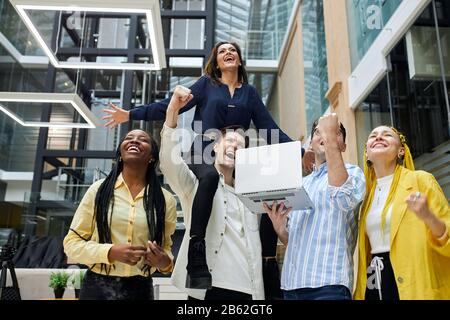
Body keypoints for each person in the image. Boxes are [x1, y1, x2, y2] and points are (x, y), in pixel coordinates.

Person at [101, 41, 308, 296]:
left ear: (239, 60)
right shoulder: (206, 85)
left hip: (237, 156)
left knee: (260, 199)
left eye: (233, 50)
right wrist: (130, 113)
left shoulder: (250, 93)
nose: (228, 53)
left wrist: (300, 153)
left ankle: (267, 265)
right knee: (209, 177)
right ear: (216, 62)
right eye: (222, 51)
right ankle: (196, 246)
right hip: (203, 153)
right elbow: (171, 103)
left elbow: (270, 128)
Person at [159, 86, 264, 300]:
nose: (235, 147)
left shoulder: (251, 197)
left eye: (240, 146)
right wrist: (172, 113)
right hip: (207, 290)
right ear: (215, 147)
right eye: (230, 141)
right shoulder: (195, 186)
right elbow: (170, 164)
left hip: (248, 291)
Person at [63, 130, 177, 300]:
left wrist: (165, 263)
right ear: (120, 154)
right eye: (129, 138)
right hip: (97, 288)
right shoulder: (98, 191)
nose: (135, 141)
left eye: (143, 140)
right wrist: (110, 252)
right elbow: (71, 244)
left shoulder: (165, 200)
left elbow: (166, 250)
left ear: (152, 157)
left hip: (141, 290)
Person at [264, 114, 366, 300]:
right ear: (310, 144)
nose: (325, 136)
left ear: (342, 146)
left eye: (336, 133)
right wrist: (280, 230)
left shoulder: (353, 173)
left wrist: (329, 138)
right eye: (319, 132)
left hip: (329, 284)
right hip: (291, 285)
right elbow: (296, 240)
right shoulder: (300, 184)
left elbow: (343, 199)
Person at [354, 126, 450, 300]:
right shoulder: (366, 196)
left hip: (414, 281)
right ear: (367, 154)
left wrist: (428, 216)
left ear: (401, 151)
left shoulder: (421, 180)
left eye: (387, 135)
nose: (379, 137)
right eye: (373, 136)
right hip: (375, 280)